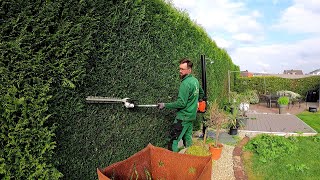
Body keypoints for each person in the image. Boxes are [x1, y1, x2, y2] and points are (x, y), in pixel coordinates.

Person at [158, 58, 204, 152]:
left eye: (182, 69)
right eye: (180, 69)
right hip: (191, 116)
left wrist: (165, 105)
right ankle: (190, 158)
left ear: (189, 70)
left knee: (173, 141)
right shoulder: (195, 81)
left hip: (183, 117)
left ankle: (174, 164)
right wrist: (197, 104)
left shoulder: (185, 83)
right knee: (187, 138)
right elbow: (202, 93)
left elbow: (181, 103)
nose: (180, 71)